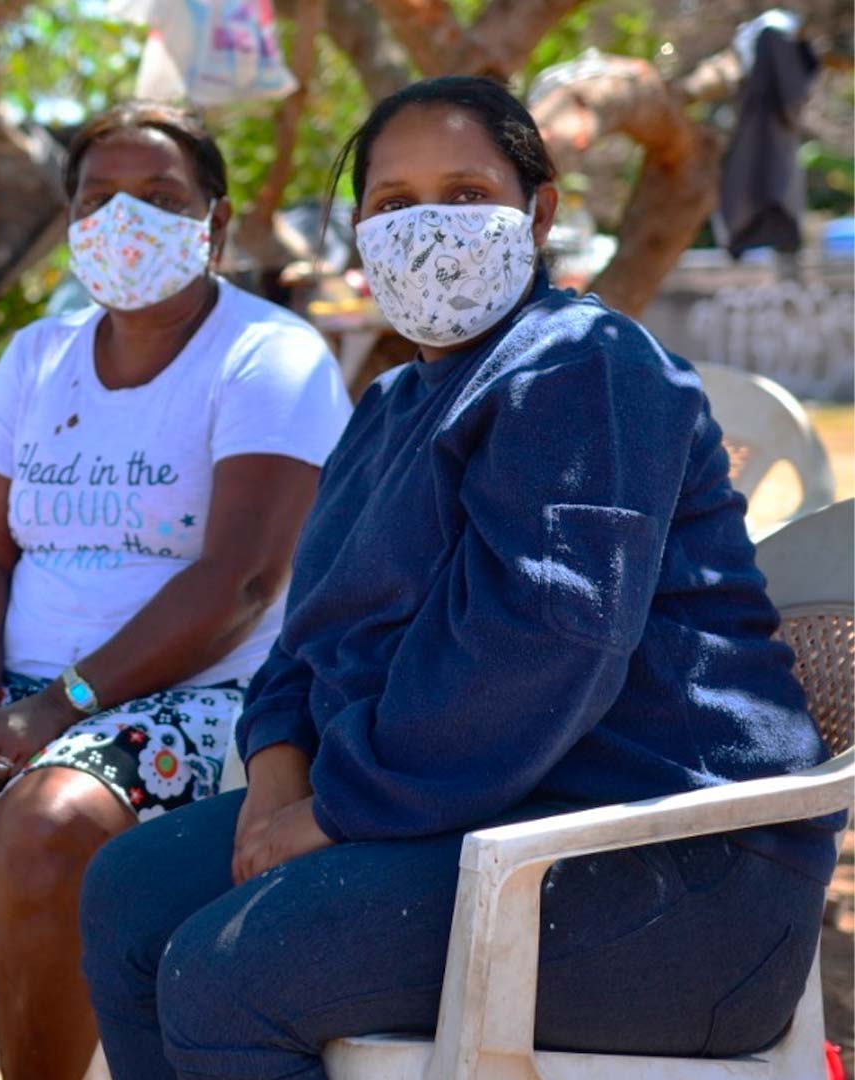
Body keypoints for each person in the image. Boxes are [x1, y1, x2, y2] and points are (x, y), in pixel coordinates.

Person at [77, 77, 839, 1080]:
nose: (429, 228)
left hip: (663, 870)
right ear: (358, 232)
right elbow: (309, 640)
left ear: (541, 211)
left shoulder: (585, 367)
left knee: (227, 974)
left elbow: (536, 650)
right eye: (393, 205)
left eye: (466, 193)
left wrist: (329, 816)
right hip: (475, 811)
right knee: (128, 892)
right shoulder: (392, 405)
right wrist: (273, 786)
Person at [0, 103, 352, 1079]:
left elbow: (241, 581)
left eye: (161, 199)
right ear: (69, 221)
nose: (126, 221)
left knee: (49, 825)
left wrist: (55, 709)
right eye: (99, 198)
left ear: (217, 225)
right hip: (19, 684)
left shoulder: (270, 356)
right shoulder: (38, 357)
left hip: (202, 696)